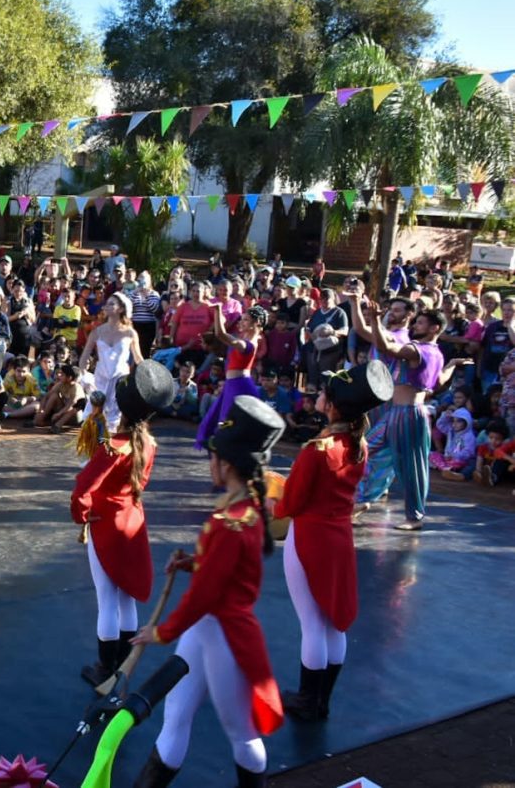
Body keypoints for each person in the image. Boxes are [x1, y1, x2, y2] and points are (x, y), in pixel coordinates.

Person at [130, 396, 286, 788]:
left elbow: (205, 596)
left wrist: (161, 632)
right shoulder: (240, 511)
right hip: (206, 631)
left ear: (228, 463)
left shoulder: (231, 522)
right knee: (176, 715)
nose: (210, 462)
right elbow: (221, 574)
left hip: (223, 635)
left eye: (214, 456)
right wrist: (193, 563)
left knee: (240, 732)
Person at [275, 362, 393, 722]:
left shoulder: (318, 449)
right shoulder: (357, 445)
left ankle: (308, 700)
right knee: (333, 623)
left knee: (312, 624)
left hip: (309, 537)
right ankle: (321, 700)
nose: (319, 395)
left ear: (332, 406)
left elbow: (291, 503)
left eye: (324, 392)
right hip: (339, 538)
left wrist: (269, 500)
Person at [70, 361, 173, 688]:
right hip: (133, 522)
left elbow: (83, 486)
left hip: (108, 526)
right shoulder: (149, 443)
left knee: (107, 600)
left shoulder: (114, 447)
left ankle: (105, 669)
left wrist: (83, 514)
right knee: (126, 598)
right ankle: (124, 666)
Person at [349, 299, 465, 531]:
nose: (416, 326)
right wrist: (452, 364)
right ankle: (362, 500)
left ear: (434, 328)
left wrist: (373, 318)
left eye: (421, 323)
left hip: (409, 415)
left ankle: (415, 517)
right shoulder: (438, 354)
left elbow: (386, 348)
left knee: (412, 468)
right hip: (396, 414)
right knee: (364, 450)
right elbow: (441, 381)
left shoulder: (417, 350)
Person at [196, 304, 268, 486]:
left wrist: (218, 311)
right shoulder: (247, 340)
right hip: (233, 386)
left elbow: (220, 335)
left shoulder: (246, 344)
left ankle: (229, 473)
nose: (241, 322)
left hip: (238, 388)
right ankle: (225, 471)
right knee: (217, 425)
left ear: (256, 323)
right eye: (242, 319)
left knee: (225, 428)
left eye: (245, 320)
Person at [79, 293, 143, 428]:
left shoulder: (130, 333)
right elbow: (84, 356)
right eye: (106, 303)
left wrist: (147, 376)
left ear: (121, 309)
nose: (106, 306)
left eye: (111, 304)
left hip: (120, 380)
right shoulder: (97, 331)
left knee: (115, 422)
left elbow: (138, 358)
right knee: (93, 421)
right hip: (100, 379)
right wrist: (84, 376)